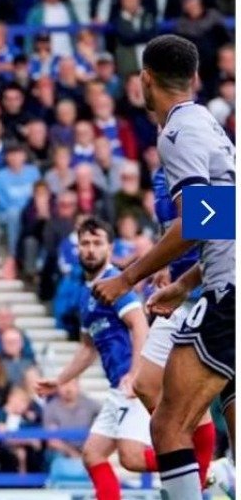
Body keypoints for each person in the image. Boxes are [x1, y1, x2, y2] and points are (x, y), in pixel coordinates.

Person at [92, 37, 235, 500]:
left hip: (228, 291)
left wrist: (126, 276)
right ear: (192, 79)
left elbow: (196, 220)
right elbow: (223, 217)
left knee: (169, 425)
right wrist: (184, 284)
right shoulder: (208, 125)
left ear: (145, 79)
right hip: (222, 282)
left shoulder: (179, 133)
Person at [39, 218, 154, 500]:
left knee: (132, 458)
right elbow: (87, 348)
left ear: (110, 248)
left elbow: (140, 326)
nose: (90, 249)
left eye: (97, 243)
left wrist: (135, 374)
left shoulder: (115, 283)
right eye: (85, 244)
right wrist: (60, 380)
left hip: (134, 385)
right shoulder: (86, 294)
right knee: (93, 454)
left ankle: (209, 468)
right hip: (118, 387)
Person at [131, 166, 219, 487]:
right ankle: (200, 466)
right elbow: (175, 224)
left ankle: (203, 471)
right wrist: (168, 264)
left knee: (201, 406)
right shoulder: (162, 164)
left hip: (214, 292)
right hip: (181, 292)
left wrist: (130, 276)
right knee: (146, 386)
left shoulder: (199, 143)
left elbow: (219, 220)